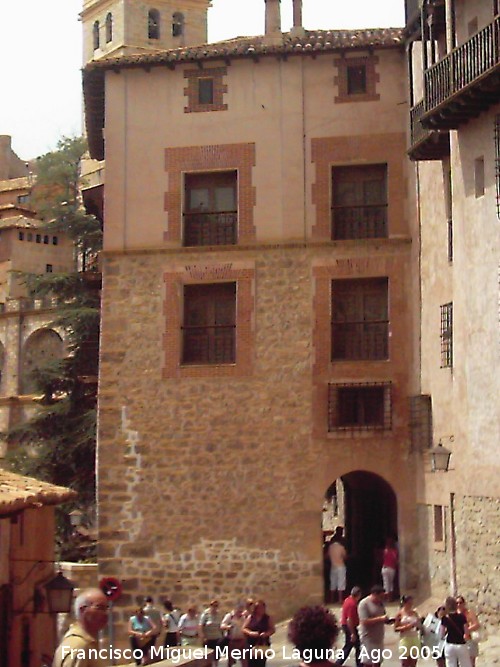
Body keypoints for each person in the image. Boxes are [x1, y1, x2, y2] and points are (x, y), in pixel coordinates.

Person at [52, 588, 109, 667]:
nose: (106, 614)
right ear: (83, 610)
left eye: (106, 608)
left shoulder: (86, 643)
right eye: (100, 608)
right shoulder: (79, 646)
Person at [358, 585, 389, 667]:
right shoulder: (364, 604)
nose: (382, 598)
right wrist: (380, 619)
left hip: (379, 637)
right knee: (368, 662)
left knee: (377, 661)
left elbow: (383, 616)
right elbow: (364, 621)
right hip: (368, 638)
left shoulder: (380, 604)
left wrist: (388, 620)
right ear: (375, 594)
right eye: (381, 596)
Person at [242, 599, 275, 667]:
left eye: (263, 607)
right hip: (251, 644)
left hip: (262, 644)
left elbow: (272, 629)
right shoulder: (251, 617)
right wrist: (251, 633)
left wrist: (266, 634)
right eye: (259, 608)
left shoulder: (267, 618)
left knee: (261, 663)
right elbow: (243, 628)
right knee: (250, 664)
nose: (261, 609)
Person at [334, 586, 362, 667]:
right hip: (349, 627)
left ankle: (359, 663)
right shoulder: (352, 604)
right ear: (358, 594)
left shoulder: (347, 600)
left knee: (353, 646)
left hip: (346, 626)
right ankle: (338, 663)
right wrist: (352, 633)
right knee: (351, 647)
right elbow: (349, 619)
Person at [441, 596, 471, 667]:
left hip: (450, 644)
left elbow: (441, 633)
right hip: (461, 644)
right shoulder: (462, 617)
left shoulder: (445, 618)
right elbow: (466, 631)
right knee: (465, 664)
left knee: (451, 664)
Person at [394, 595, 421, 667]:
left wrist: (419, 625)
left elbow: (419, 625)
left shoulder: (415, 613)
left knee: (413, 663)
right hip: (405, 638)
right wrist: (406, 627)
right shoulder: (400, 614)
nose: (411, 604)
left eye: (411, 602)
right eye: (409, 603)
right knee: (405, 663)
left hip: (414, 637)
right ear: (405, 603)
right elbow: (395, 628)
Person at [456, 596, 480, 667]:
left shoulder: (469, 613)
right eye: (457, 603)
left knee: (471, 663)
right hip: (459, 642)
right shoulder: (455, 615)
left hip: (470, 641)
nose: (458, 605)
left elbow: (477, 624)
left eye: (460, 603)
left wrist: (467, 630)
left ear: (464, 603)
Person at [221, 602, 247, 667]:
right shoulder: (229, 616)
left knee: (244, 660)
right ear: (235, 609)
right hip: (232, 641)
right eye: (239, 610)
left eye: (241, 610)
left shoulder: (244, 617)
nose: (240, 612)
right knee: (231, 660)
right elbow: (222, 625)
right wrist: (228, 627)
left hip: (242, 641)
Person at [199, 599, 224, 665]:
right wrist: (202, 637)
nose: (214, 607)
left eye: (216, 606)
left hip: (217, 637)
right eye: (212, 605)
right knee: (207, 657)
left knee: (216, 656)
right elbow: (201, 626)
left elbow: (221, 626)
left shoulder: (219, 614)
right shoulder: (206, 614)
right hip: (208, 638)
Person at [328, 529, 348, 603]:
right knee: (341, 582)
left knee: (333, 582)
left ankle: (332, 599)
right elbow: (344, 556)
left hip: (333, 566)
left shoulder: (330, 547)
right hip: (340, 566)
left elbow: (328, 555)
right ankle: (340, 599)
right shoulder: (341, 547)